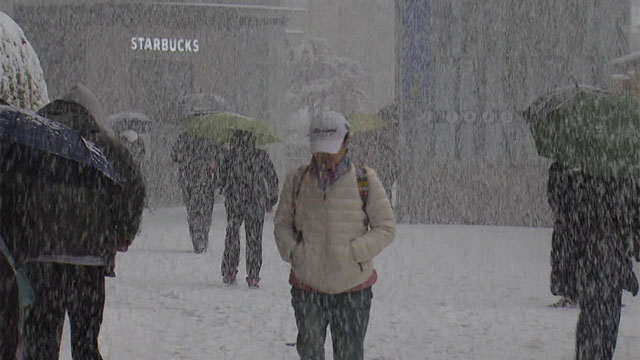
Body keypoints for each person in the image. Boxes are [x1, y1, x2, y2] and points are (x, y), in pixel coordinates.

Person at [1, 83, 145, 360]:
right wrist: (122, 232)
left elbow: (14, 194)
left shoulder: (33, 140)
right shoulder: (104, 148)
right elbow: (133, 189)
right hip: (88, 261)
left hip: (41, 258)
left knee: (41, 344)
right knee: (86, 343)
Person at [274, 111, 395, 360]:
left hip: (353, 289)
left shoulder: (365, 180)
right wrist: (296, 253)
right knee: (309, 353)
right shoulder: (297, 180)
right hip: (308, 287)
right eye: (319, 150)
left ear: (346, 142)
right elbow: (282, 225)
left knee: (349, 355)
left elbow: (386, 227)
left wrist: (353, 253)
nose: (324, 157)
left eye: (331, 149)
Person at [570, 170, 638, 360]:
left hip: (593, 261)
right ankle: (596, 353)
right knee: (604, 318)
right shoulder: (625, 182)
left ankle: (590, 353)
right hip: (606, 263)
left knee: (594, 316)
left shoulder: (584, 179)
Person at [217, 130, 279, 287]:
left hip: (234, 200)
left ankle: (230, 271)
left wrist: (224, 183)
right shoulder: (260, 155)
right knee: (254, 238)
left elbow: (220, 178)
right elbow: (272, 177)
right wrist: (272, 198)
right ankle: (253, 275)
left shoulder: (229, 155)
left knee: (232, 234)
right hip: (255, 200)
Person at [171, 132, 223, 253]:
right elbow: (175, 155)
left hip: (195, 181)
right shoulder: (210, 138)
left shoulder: (186, 138)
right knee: (202, 210)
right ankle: (201, 235)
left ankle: (199, 236)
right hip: (200, 181)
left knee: (196, 210)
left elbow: (175, 155)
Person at [547, 161, 579, 308]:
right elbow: (553, 195)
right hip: (568, 222)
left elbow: (553, 195)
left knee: (568, 256)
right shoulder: (559, 168)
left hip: (570, 222)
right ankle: (571, 292)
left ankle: (572, 292)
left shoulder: (559, 168)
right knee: (566, 256)